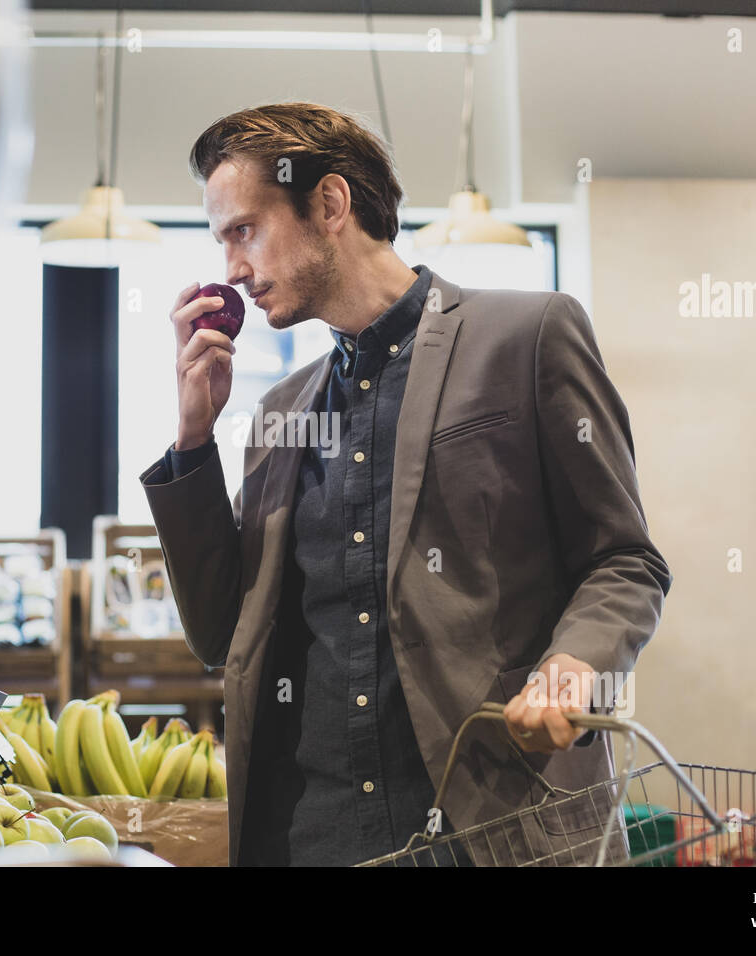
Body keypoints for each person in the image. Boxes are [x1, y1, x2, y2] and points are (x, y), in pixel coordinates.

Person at [140, 102, 671, 867]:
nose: (232, 270)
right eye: (222, 240)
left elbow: (626, 559)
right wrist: (194, 439)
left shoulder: (528, 338)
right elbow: (222, 634)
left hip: (491, 829)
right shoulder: (280, 412)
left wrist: (576, 664)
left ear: (329, 205)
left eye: (244, 231)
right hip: (313, 839)